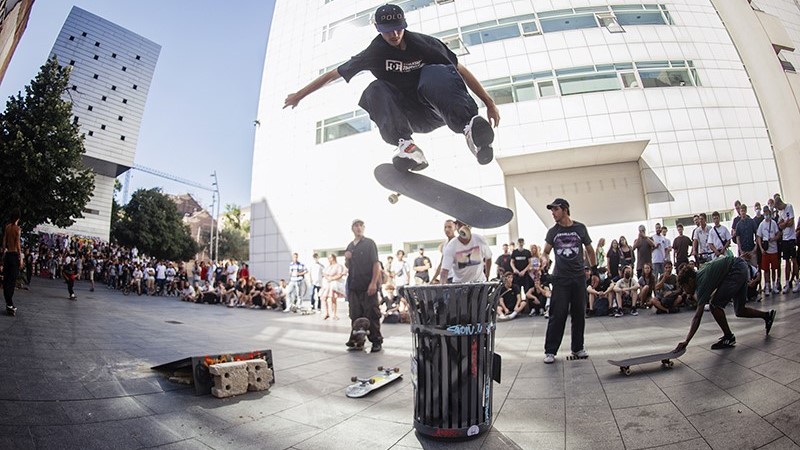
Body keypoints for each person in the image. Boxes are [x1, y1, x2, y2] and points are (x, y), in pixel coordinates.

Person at [284, 4, 500, 171]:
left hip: (436, 108)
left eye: (398, 29)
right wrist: (299, 95)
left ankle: (470, 128)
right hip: (407, 116)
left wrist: (489, 103)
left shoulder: (427, 44)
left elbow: (461, 70)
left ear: (404, 24)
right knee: (374, 89)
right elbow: (333, 74)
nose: (394, 35)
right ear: (378, 29)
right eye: (388, 31)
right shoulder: (373, 53)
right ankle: (407, 147)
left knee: (436, 71)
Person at [675, 256, 776, 352]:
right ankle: (767, 316)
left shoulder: (702, 283)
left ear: (690, 281)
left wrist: (687, 341)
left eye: (684, 287)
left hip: (736, 270)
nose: (685, 291)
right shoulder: (700, 274)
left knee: (714, 305)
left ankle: (728, 337)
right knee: (740, 310)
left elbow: (697, 316)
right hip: (739, 266)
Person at [542, 198, 596, 364]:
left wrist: (594, 271)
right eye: (551, 210)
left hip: (579, 278)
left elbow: (589, 250)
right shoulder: (553, 232)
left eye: (555, 209)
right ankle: (550, 351)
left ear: (565, 209)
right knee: (557, 315)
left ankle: (578, 348)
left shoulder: (580, 228)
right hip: (560, 278)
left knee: (579, 314)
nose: (552, 213)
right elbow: (545, 252)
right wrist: (544, 261)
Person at [344, 219, 383, 353]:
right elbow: (348, 267)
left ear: (364, 228)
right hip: (354, 285)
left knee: (371, 314)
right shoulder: (350, 245)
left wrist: (373, 283)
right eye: (356, 226)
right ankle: (357, 341)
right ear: (352, 229)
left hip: (368, 285)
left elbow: (376, 264)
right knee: (355, 314)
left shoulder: (369, 243)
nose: (358, 228)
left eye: (361, 225)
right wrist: (347, 258)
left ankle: (376, 340)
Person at [774, 195, 799, 293]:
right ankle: (788, 282)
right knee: (786, 261)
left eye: (778, 207)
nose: (778, 209)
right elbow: (780, 225)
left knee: (794, 260)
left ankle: (797, 281)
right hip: (784, 239)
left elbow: (791, 222)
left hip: (791, 238)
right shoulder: (780, 212)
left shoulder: (789, 207)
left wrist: (785, 223)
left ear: (780, 203)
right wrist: (785, 223)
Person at [757, 206, 781, 296]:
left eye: (768, 213)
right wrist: (761, 248)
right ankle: (767, 286)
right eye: (765, 213)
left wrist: (774, 238)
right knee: (766, 270)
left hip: (774, 249)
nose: (767, 215)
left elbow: (778, 234)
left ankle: (774, 286)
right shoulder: (762, 224)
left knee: (774, 268)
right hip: (765, 250)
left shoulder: (774, 223)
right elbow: (758, 237)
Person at [2, 208, 22, 315]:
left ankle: (8, 302)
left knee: (6, 279)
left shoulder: (7, 227)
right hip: (14, 255)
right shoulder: (17, 229)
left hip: (8, 254)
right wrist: (20, 257)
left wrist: (3, 256)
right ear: (18, 218)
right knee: (12, 280)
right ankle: (9, 303)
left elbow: (4, 242)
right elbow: (18, 245)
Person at [321, 253, 347, 320]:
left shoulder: (338, 266)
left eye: (330, 258)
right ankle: (326, 313)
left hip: (333, 284)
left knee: (333, 299)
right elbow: (324, 273)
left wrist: (332, 278)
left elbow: (340, 274)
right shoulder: (328, 267)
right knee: (324, 298)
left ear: (333, 258)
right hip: (327, 284)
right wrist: (327, 277)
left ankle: (334, 314)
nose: (329, 259)